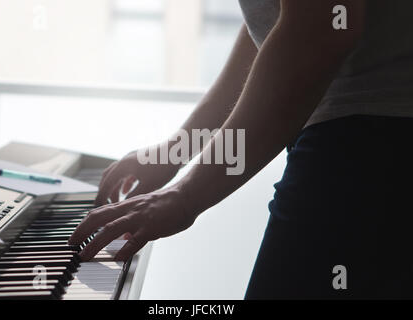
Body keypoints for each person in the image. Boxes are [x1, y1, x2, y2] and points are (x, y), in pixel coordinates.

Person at [69, 0, 413, 299]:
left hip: (374, 142)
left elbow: (319, 28)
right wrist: (176, 150)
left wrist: (187, 195)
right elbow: (271, 25)